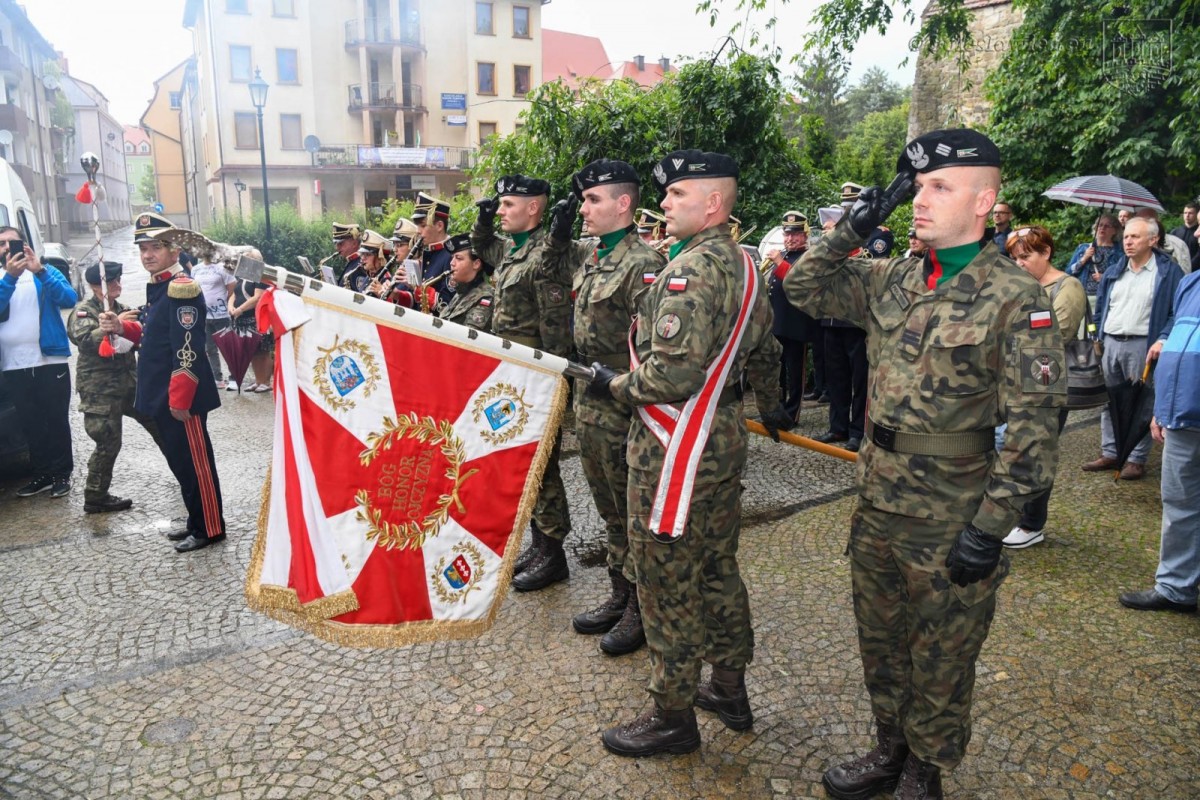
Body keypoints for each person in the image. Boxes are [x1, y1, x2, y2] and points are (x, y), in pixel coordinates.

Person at [785, 129, 1067, 798]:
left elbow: (1035, 425)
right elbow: (803, 287)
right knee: (880, 639)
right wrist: (852, 226)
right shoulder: (895, 277)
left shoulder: (1014, 297)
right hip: (878, 501)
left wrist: (990, 528)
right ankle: (889, 748)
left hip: (951, 513)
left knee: (942, 653)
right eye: (918, 187)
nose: (920, 199)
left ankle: (925, 770)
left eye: (940, 186)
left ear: (984, 200)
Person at [588, 150, 780, 757]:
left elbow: (671, 377)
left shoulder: (690, 272)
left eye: (676, 194)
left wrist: (612, 385)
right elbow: (767, 352)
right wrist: (773, 408)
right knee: (718, 568)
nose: (664, 203)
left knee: (665, 578)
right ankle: (728, 687)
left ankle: (672, 715)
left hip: (677, 444)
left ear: (713, 204)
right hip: (722, 438)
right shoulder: (746, 266)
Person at [555, 159, 665, 657]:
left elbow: (653, 356)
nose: (584, 207)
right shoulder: (595, 258)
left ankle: (642, 607)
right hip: (591, 404)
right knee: (609, 511)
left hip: (624, 409)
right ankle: (620, 594)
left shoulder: (643, 266)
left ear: (623, 204)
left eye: (593, 199)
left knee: (632, 514)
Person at [471, 174, 574, 592]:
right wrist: (480, 222)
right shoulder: (514, 251)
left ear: (534, 208)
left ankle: (553, 552)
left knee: (542, 464)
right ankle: (538, 542)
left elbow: (553, 327)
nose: (500, 212)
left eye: (507, 205)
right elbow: (484, 248)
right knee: (522, 461)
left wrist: (553, 378)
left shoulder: (544, 255)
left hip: (536, 373)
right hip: (511, 372)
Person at [132, 212, 226, 553]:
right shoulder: (160, 286)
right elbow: (157, 336)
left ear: (174, 250)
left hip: (180, 400)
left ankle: (210, 528)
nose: (147, 254)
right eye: (142, 248)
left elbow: (187, 349)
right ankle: (195, 519)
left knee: (196, 465)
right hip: (163, 396)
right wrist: (122, 328)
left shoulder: (181, 288)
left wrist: (181, 398)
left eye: (155, 247)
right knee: (181, 464)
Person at [1118, 268, 1200, 613]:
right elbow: (1177, 345)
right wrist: (1162, 408)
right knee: (1179, 504)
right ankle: (1175, 588)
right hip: (1182, 414)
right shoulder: (1191, 281)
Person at [1002, 227, 1086, 549]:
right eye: (1014, 258)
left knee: (1037, 452)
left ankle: (1032, 524)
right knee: (1013, 450)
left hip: (1047, 385)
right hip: (1016, 382)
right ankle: (1011, 514)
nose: (1019, 263)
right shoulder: (1024, 286)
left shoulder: (1068, 286)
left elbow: (1057, 334)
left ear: (1046, 253)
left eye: (1025, 256)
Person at [1083, 217, 1183, 480]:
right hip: (1111, 342)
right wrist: (1097, 336)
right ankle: (1111, 452)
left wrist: (1163, 337)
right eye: (1126, 236)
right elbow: (1101, 307)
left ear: (1152, 240)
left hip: (1144, 344)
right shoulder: (1117, 269)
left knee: (1141, 402)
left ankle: (1136, 459)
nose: (1128, 241)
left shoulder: (1168, 272)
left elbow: (1177, 312)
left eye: (1135, 237)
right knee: (1109, 401)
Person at [66, 261, 163, 513]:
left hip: (130, 385)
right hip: (100, 391)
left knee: (160, 424)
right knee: (108, 443)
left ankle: (185, 472)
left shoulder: (122, 309)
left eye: (119, 280)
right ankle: (95, 497)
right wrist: (111, 325)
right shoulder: (84, 312)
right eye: (112, 281)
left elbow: (141, 337)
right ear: (97, 286)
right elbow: (85, 340)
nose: (118, 285)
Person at [0, 226, 78, 499]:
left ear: (25, 244)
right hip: (13, 363)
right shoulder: (1, 279)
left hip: (49, 359)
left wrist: (40, 271)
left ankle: (61, 474)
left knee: (55, 419)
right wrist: (9, 278)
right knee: (29, 422)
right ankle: (42, 474)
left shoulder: (44, 272)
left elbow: (69, 298)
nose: (7, 248)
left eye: (13, 242)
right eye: (1, 244)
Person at [764, 210, 818, 426]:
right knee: (778, 371)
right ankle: (778, 409)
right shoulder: (785, 256)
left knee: (795, 372)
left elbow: (799, 282)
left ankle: (792, 413)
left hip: (797, 324)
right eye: (787, 234)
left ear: (805, 235)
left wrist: (778, 262)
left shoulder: (808, 257)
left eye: (795, 234)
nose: (790, 238)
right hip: (778, 322)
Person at [228, 247, 275, 394]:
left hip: (256, 318)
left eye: (247, 258)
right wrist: (230, 307)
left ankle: (266, 382)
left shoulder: (261, 275)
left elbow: (257, 297)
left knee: (262, 351)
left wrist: (240, 309)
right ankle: (258, 380)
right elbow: (233, 294)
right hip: (242, 319)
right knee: (252, 352)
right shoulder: (243, 275)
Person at [190, 257, 236, 389]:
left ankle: (234, 377)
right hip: (204, 315)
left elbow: (231, 288)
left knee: (227, 348)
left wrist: (223, 303)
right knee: (210, 348)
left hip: (221, 315)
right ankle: (217, 378)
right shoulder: (196, 269)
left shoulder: (223, 267)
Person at [438, 233, 494, 331]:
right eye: (452, 258)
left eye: (458, 258)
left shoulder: (486, 297)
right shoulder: (461, 292)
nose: (452, 263)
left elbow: (468, 337)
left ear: (476, 264)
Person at [412, 192, 454, 305]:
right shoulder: (428, 253)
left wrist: (418, 288)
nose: (418, 231)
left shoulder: (452, 255)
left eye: (423, 225)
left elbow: (448, 302)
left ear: (439, 226)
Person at [1065, 214, 1120, 299]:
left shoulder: (1119, 252)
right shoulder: (1083, 248)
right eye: (1100, 225)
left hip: (1104, 297)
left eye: (1107, 226)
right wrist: (1084, 259)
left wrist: (1104, 277)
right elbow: (1068, 272)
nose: (1102, 228)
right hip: (1081, 296)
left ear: (1115, 231)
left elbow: (1121, 276)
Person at [1135, 208, 1190, 273]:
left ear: (1157, 221)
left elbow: (1185, 275)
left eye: (1147, 221)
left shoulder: (1178, 244)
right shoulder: (1133, 244)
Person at [334, 223, 367, 292]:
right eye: (336, 244)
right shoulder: (353, 262)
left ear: (354, 243)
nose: (337, 248)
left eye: (341, 244)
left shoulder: (360, 266)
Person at [1168, 201, 1199, 272]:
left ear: (1197, 214)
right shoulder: (1175, 232)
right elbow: (1169, 251)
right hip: (1175, 269)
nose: (1187, 215)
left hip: (1194, 271)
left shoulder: (1198, 233)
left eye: (1190, 213)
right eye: (1185, 213)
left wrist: (1188, 267)